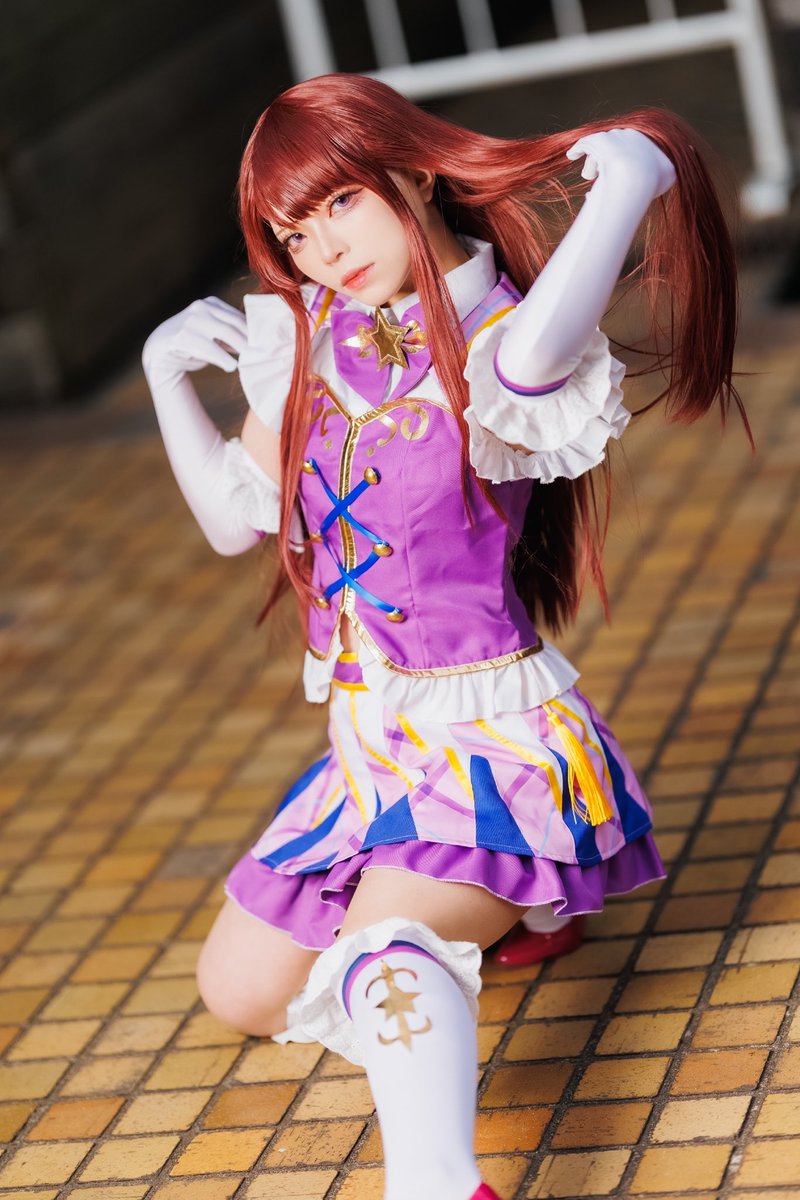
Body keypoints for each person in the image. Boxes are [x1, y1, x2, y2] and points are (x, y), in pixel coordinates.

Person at [141, 74, 744, 1200]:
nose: (323, 249)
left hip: (493, 744)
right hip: (372, 750)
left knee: (384, 953)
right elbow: (233, 521)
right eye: (294, 231)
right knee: (239, 991)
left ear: (414, 170)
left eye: (341, 204)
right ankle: (511, 920)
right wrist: (163, 373)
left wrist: (628, 184)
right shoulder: (310, 337)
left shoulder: (498, 333)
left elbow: (536, 351)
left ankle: (437, 1182)